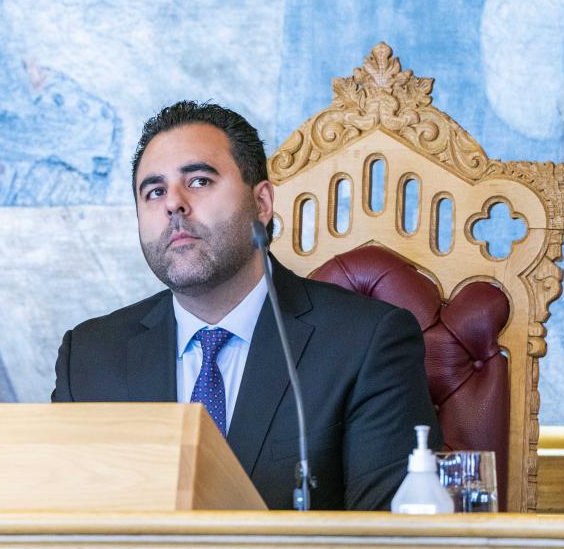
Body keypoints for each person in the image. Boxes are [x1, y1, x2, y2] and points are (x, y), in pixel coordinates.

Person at [52, 101, 441, 510]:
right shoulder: (89, 357)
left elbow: (390, 532)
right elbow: (60, 520)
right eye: (155, 192)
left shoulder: (366, 342)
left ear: (262, 203)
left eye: (199, 181)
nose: (173, 204)